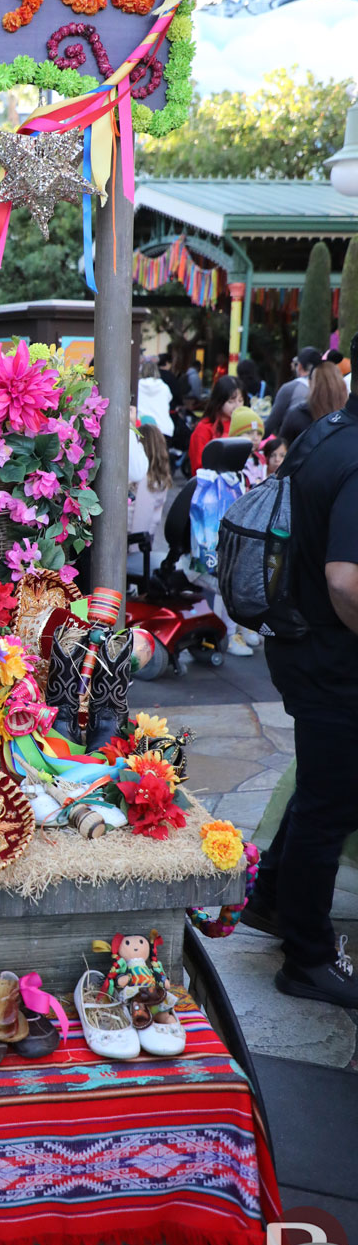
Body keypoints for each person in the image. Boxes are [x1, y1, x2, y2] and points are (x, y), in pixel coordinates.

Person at [243, 333, 358, 1008]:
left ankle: (272, 902)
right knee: (330, 804)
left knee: (324, 790)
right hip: (328, 656)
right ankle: (307, 956)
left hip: (300, 643)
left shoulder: (328, 434)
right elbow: (346, 581)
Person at [280, 360, 349, 447]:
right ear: (342, 385)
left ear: (311, 383)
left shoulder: (296, 415)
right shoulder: (351, 416)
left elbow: (282, 449)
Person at [188, 375, 242, 475]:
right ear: (219, 400)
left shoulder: (243, 425)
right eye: (231, 401)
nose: (237, 406)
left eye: (240, 400)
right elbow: (199, 467)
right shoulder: (204, 428)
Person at [266, 345, 322, 437]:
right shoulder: (331, 388)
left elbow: (271, 424)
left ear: (299, 367)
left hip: (295, 443)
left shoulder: (290, 388)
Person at [128, 422, 171, 541]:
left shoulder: (144, 480)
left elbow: (139, 520)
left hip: (133, 542)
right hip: (145, 540)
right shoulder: (160, 479)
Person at [136, 358, 173, 438]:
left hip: (143, 427)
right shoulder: (164, 387)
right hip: (164, 428)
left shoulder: (137, 387)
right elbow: (169, 399)